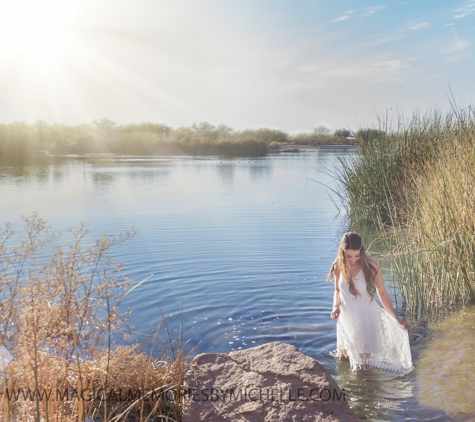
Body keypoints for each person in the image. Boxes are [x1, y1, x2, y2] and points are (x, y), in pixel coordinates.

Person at [327, 232, 413, 373]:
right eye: (348, 256)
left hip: (366, 321)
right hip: (346, 320)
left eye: (356, 255)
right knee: (346, 360)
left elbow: (382, 293)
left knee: (363, 368)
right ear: (342, 253)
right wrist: (335, 306)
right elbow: (337, 290)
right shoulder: (338, 265)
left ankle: (368, 392)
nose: (353, 259)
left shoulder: (372, 267)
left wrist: (395, 318)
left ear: (362, 251)